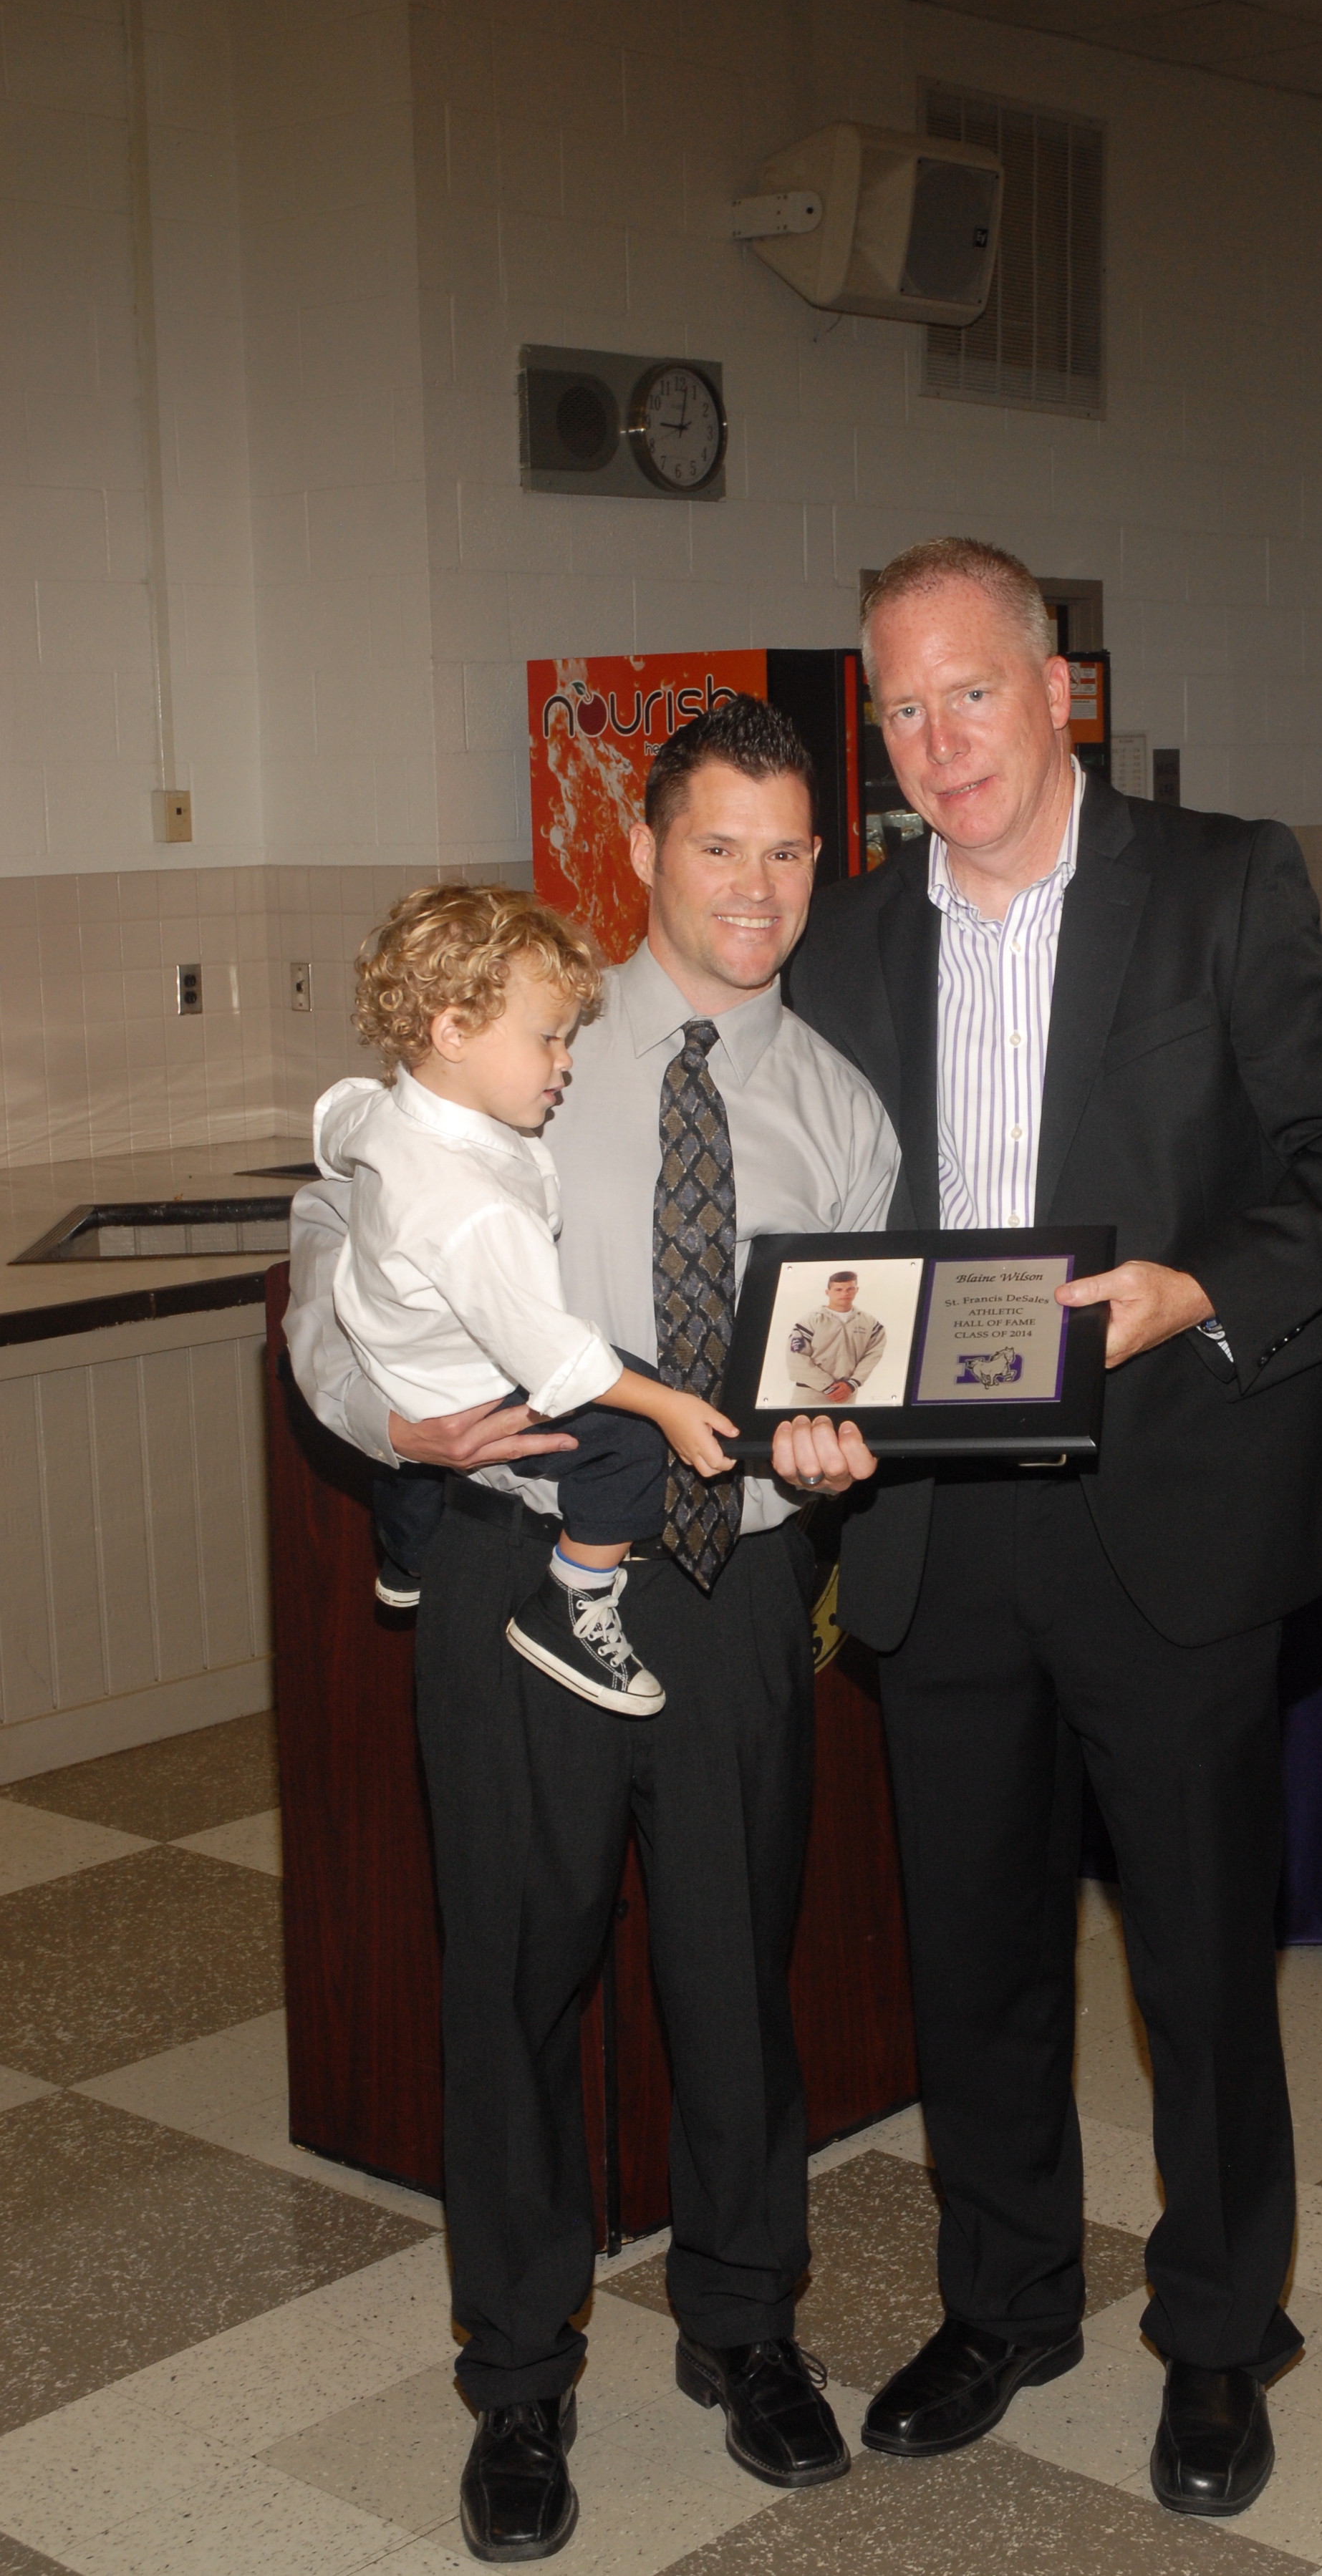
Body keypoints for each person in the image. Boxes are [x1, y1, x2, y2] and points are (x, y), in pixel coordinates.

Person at [782, 536, 1322, 2520]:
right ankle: (1007, 2298)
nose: (930, 740)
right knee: (970, 1943)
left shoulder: (1223, 882)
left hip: (1167, 1503)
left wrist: (1192, 1286)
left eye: (966, 691)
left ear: (1059, 691)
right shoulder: (854, 938)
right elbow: (826, 1218)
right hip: (937, 1522)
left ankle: (1222, 2332)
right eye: (896, 707)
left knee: (1198, 1960)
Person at [284, 694, 899, 2564]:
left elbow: (852, 1347)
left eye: (791, 849)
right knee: (515, 1978)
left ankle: (744, 2323)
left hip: (732, 1589)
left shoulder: (842, 1109)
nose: (757, 884)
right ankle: (518, 2373)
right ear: (639, 850)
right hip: (505, 1567)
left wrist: (839, 1428)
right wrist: (385, 1417)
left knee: (733, 1970)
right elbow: (327, 1265)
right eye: (721, 842)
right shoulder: (512, 1031)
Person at [319, 883, 740, 1715]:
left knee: (407, 1468)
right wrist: (668, 1406)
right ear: (454, 1031)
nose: (566, 1060)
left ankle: (406, 1561)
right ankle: (575, 1605)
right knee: (626, 1440)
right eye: (547, 1038)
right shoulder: (472, 1209)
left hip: (389, 1348)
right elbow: (556, 1358)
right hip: (467, 1381)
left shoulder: (381, 1112)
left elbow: (336, 1118)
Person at [786, 1270, 885, 1403]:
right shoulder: (811, 1320)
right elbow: (795, 1358)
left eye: (850, 1289)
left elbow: (873, 1355)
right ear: (828, 1292)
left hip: (846, 1394)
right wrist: (826, 1385)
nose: (845, 1293)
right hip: (810, 1394)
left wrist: (852, 1384)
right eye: (838, 1290)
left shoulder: (870, 1323)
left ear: (857, 1290)